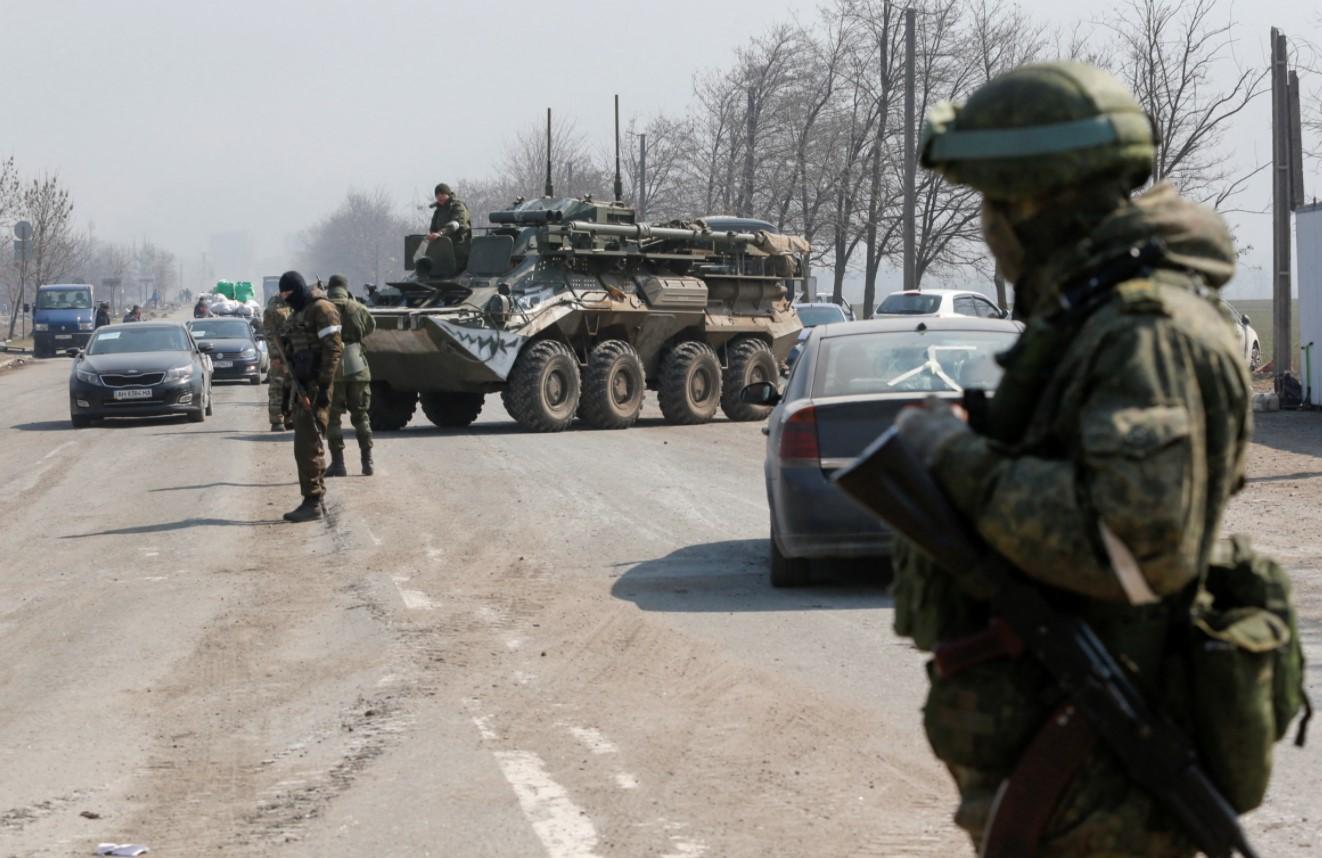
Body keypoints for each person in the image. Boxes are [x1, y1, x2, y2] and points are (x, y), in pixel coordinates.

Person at [888, 62, 1253, 857]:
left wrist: (956, 459)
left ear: (1036, 203)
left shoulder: (1143, 332)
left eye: (993, 202)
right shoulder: (1092, 318)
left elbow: (1129, 542)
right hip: (1072, 775)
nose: (986, 225)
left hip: (1104, 786)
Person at [277, 271, 343, 523]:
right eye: (282, 295)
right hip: (301, 383)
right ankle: (311, 497)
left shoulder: (322, 309)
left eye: (287, 294)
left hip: (315, 386)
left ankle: (313, 500)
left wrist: (324, 386)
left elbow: (333, 349)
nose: (285, 299)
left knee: (309, 444)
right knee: (303, 445)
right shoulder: (297, 313)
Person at [323, 275, 376, 477]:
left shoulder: (323, 307)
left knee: (333, 419)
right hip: (357, 366)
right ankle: (367, 462)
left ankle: (338, 464)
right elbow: (371, 326)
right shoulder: (358, 307)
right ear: (346, 288)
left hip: (332, 366)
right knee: (361, 416)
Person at [263, 291, 294, 432]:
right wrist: (275, 356)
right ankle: (277, 420)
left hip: (297, 353)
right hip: (280, 354)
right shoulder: (274, 308)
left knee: (294, 387)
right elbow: (270, 334)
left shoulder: (297, 304)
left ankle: (291, 417)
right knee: (278, 387)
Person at [427, 182, 472, 272]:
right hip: (444, 249)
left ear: (448, 194)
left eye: (442, 194)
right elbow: (433, 228)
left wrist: (440, 233)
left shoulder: (458, 206)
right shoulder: (438, 210)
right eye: (437, 195)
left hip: (459, 247)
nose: (440, 197)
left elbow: (456, 224)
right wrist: (432, 235)